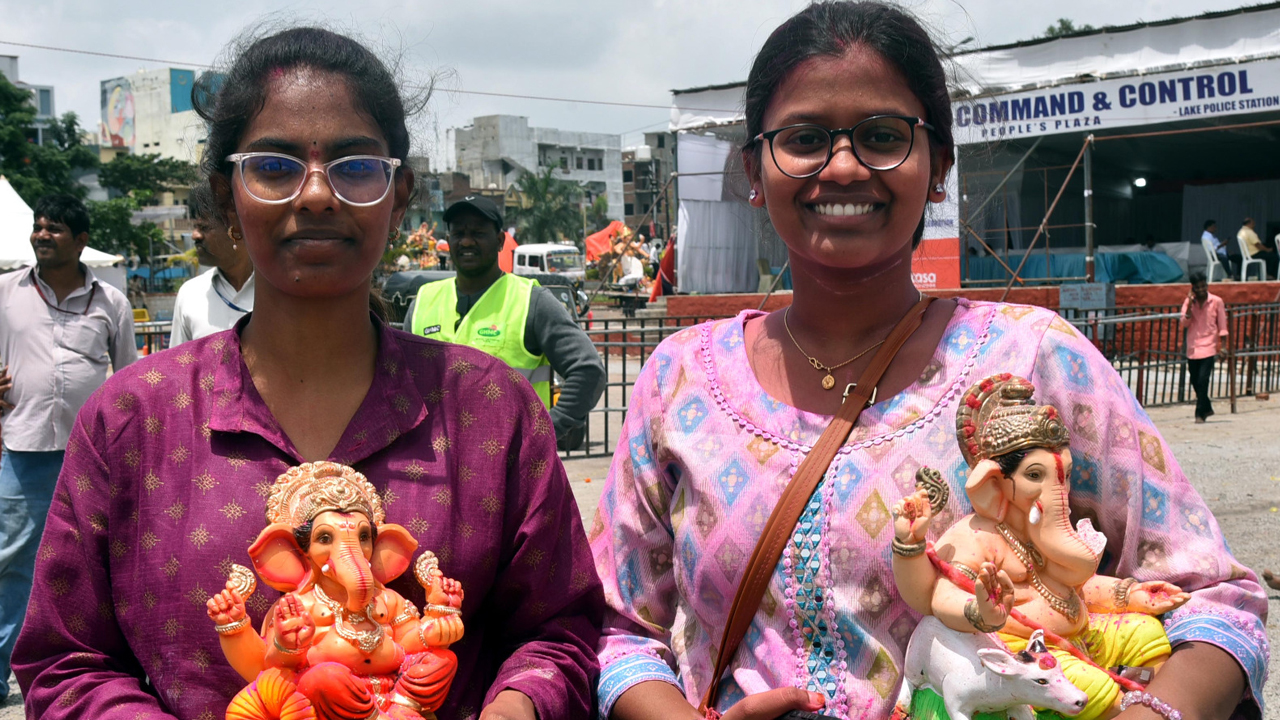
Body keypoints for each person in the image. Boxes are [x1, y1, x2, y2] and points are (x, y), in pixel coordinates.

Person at [590, 4, 1267, 720]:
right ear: (755, 169)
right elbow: (615, 629)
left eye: (883, 137)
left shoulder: (1034, 356)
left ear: (939, 166)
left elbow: (1219, 600)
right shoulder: (682, 379)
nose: (844, 166)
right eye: (805, 139)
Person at [13, 28, 603, 720]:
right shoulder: (132, 418)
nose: (318, 195)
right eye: (275, 166)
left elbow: (560, 631)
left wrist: (513, 707)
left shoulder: (491, 410)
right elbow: (65, 661)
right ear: (225, 195)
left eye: (355, 167)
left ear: (400, 193)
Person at [0, 193, 137, 702]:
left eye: (54, 228)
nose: (41, 234)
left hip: (91, 455)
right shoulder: (5, 292)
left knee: (95, 562)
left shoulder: (112, 303)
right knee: (13, 560)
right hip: (22, 449)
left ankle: (91, 664)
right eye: (38, 226)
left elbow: (128, 379)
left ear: (81, 241)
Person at [404, 195, 605, 452]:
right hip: (437, 467)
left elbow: (588, 370)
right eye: (458, 233)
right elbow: (400, 384)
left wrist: (544, 433)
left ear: (500, 241)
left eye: (477, 232)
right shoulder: (423, 302)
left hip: (510, 470)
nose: (466, 241)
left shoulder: (531, 301)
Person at [169, 181, 255, 345]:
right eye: (195, 227)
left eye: (203, 227)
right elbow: (179, 367)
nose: (195, 236)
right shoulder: (191, 294)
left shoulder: (278, 291)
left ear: (235, 229)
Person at [1180, 271, 1229, 423]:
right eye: (1198, 287)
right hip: (1193, 347)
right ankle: (1207, 407)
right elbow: (1184, 323)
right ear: (1193, 288)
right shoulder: (1189, 302)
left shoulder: (1216, 301)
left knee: (1203, 379)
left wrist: (1223, 347)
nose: (1201, 290)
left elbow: (1222, 325)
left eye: (1203, 286)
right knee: (1195, 380)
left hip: (1209, 346)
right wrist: (1189, 302)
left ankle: (1199, 413)